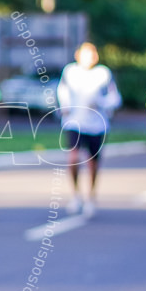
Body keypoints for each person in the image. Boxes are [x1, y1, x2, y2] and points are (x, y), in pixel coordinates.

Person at [57, 42, 121, 217]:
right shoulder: (70, 72)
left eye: (92, 53)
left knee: (92, 162)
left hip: (97, 125)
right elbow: (62, 91)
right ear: (78, 55)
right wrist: (65, 106)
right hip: (74, 123)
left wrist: (100, 103)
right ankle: (76, 195)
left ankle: (90, 196)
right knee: (73, 158)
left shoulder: (103, 74)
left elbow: (115, 98)